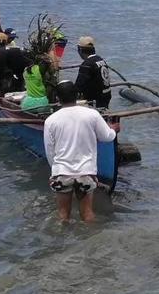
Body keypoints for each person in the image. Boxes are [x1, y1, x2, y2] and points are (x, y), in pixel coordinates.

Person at [43, 80, 117, 223]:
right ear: (77, 95)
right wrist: (113, 129)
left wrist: (55, 171)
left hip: (62, 172)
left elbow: (50, 151)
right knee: (88, 214)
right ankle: (92, 244)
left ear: (57, 98)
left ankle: (62, 243)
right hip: (85, 172)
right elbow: (106, 137)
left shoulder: (50, 120)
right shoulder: (92, 114)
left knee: (63, 215)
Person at [74, 36, 112, 108]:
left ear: (80, 50)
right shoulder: (100, 60)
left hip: (95, 100)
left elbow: (78, 86)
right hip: (106, 96)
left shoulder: (87, 64)